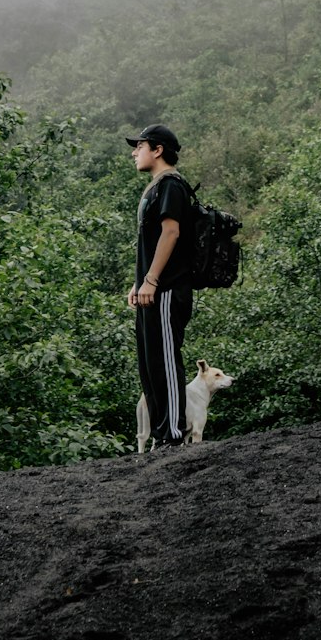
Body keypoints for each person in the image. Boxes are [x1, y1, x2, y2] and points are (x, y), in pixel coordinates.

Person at [125, 123, 193, 448]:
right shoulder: (155, 187)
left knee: (166, 360)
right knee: (149, 364)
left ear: (158, 149)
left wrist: (151, 280)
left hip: (166, 291)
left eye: (139, 146)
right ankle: (160, 435)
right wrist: (137, 284)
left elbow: (171, 233)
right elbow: (149, 244)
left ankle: (174, 435)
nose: (134, 152)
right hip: (150, 291)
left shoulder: (171, 185)